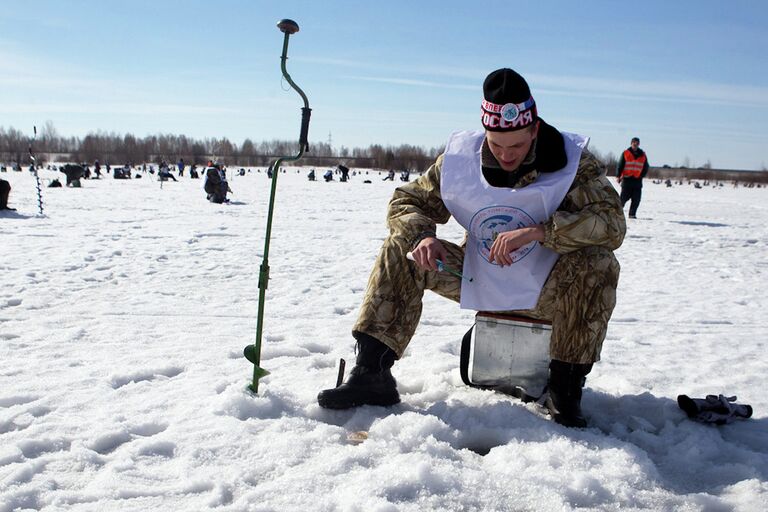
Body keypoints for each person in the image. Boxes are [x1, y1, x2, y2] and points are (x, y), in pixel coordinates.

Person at [317, 68, 626, 428]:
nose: (506, 156)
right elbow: (406, 201)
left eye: (517, 146)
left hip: (549, 288)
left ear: (535, 130)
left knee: (599, 263)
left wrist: (542, 232)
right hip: (475, 276)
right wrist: (423, 237)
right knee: (401, 245)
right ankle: (372, 373)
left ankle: (565, 390)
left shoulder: (573, 164)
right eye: (496, 145)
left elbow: (612, 224)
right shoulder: (459, 162)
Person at [616, 137, 649, 219]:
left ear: (639, 144)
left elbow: (646, 166)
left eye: (637, 143)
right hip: (627, 179)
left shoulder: (643, 154)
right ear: (631, 143)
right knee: (623, 198)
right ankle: (616, 213)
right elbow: (620, 165)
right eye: (634, 143)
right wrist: (618, 176)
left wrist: (642, 175)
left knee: (636, 199)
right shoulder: (626, 153)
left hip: (637, 180)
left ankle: (632, 214)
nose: (635, 144)